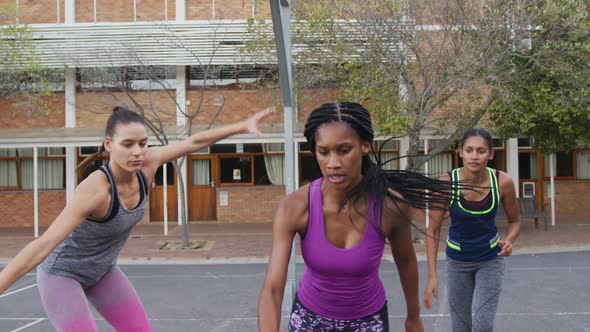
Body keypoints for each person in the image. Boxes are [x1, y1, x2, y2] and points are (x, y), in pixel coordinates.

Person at [0, 105, 275, 332]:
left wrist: (241, 126)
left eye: (143, 144)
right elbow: (43, 245)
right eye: (128, 144)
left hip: (103, 270)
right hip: (62, 274)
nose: (137, 152)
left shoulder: (147, 164)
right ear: (109, 145)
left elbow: (194, 142)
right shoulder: (94, 190)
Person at [258, 102, 457, 332]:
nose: (333, 163)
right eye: (324, 152)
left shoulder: (390, 206)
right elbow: (272, 290)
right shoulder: (294, 208)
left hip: (368, 321)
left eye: (344, 150)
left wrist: (413, 317)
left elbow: (406, 260)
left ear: (364, 145)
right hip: (309, 320)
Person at [423, 128, 522, 332]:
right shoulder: (447, 184)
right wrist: (432, 275)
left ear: (491, 154)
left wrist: (510, 239)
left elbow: (515, 221)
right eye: (469, 150)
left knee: (483, 324)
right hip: (457, 263)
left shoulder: (503, 182)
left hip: (490, 260)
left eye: (480, 151)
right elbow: (432, 231)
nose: (474, 156)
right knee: (460, 326)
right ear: (460, 152)